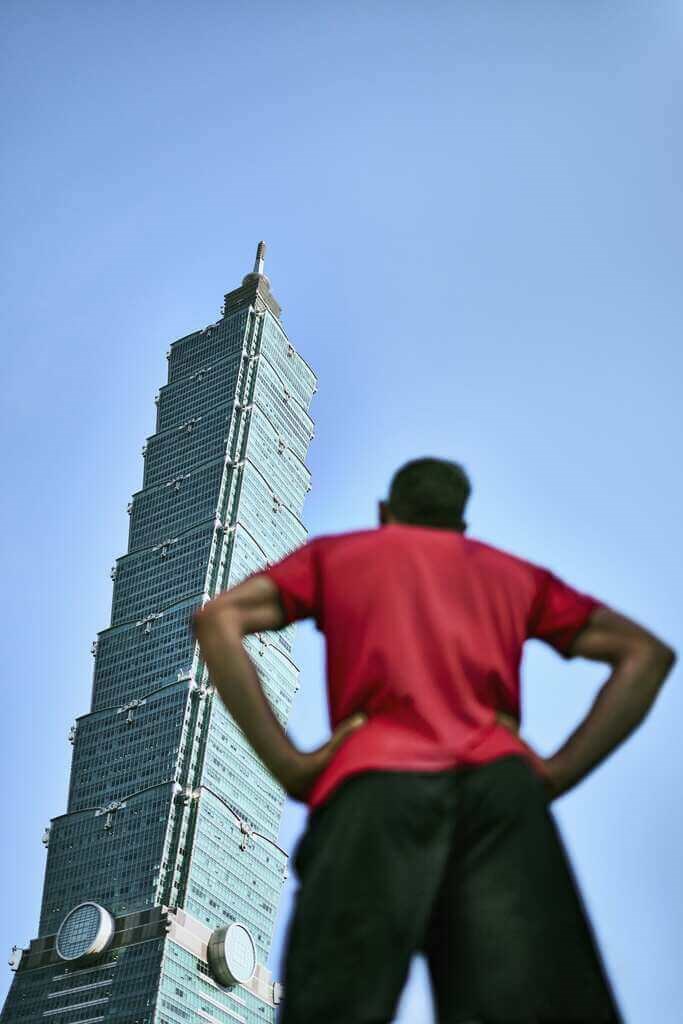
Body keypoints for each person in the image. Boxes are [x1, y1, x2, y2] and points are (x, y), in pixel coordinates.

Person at [192, 457, 675, 1024]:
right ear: (461, 527)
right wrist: (553, 773)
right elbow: (646, 654)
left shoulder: (340, 556)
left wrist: (292, 765)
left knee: (336, 1005)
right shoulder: (512, 574)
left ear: (384, 514)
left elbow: (218, 620)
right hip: (501, 797)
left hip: (375, 790)